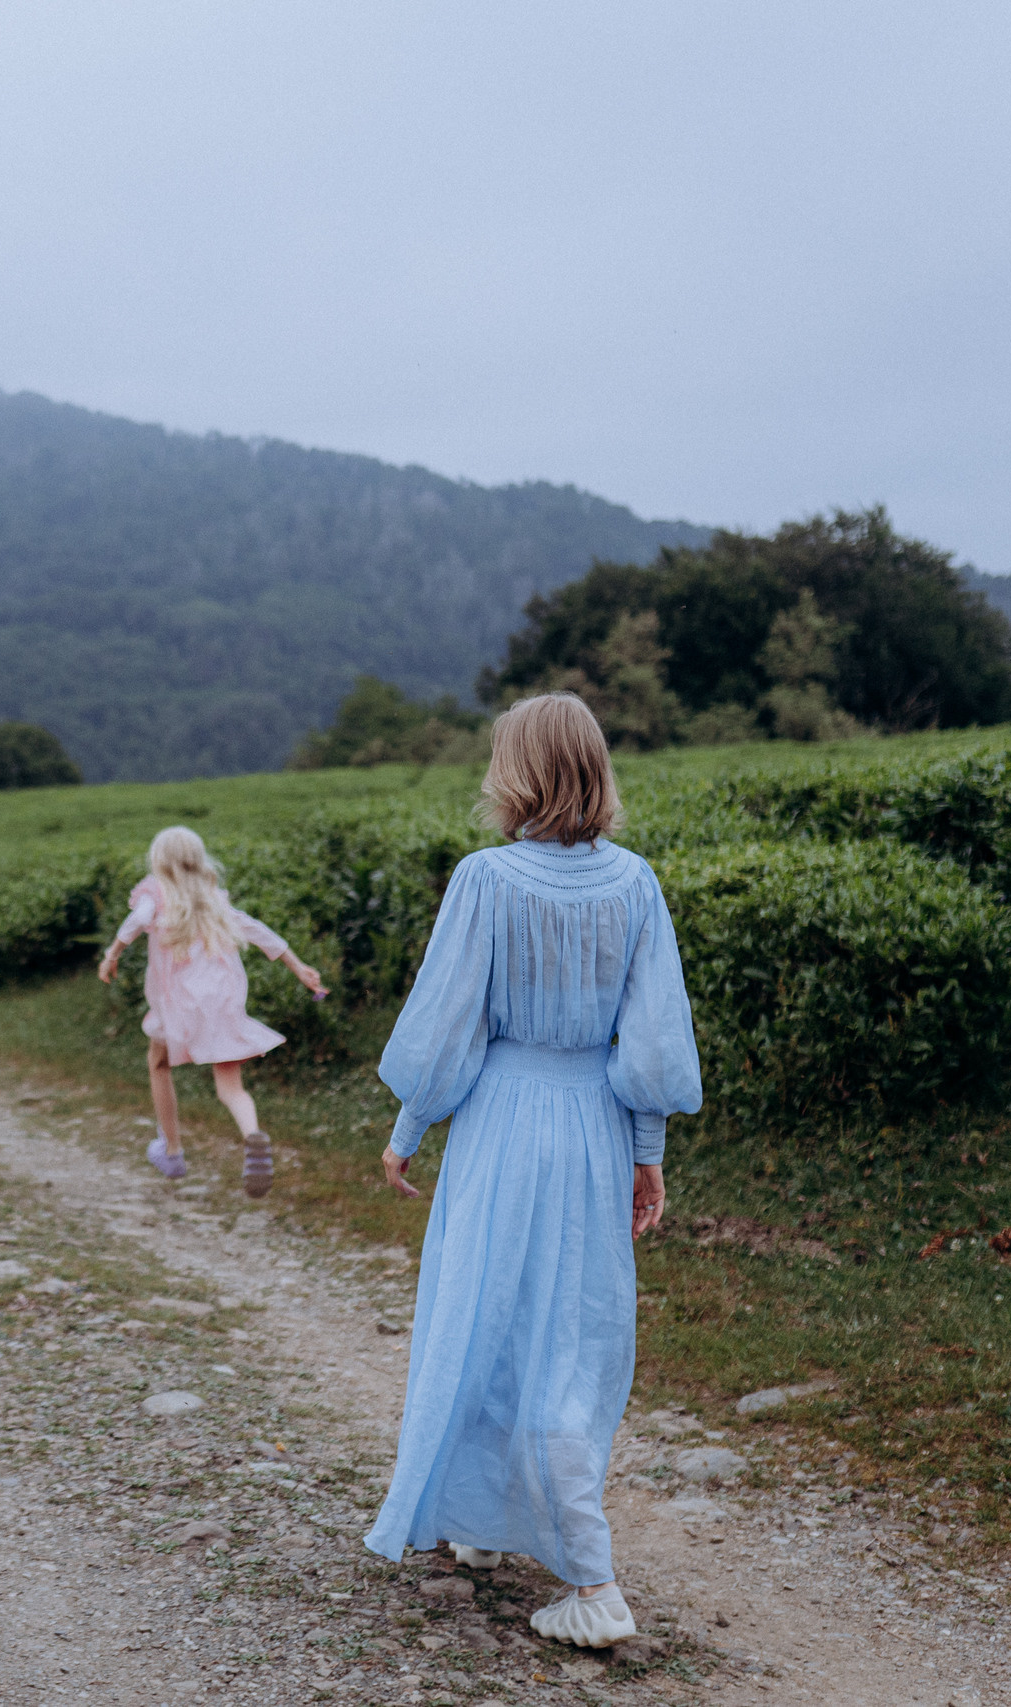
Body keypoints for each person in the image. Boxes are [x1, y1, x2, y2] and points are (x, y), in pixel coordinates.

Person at [361, 691, 702, 1648]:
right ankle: (480, 1522)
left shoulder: (485, 879)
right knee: (570, 1326)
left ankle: (595, 1584)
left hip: (502, 1124)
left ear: (515, 772)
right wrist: (647, 1153)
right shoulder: (635, 883)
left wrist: (409, 1126)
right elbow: (652, 1041)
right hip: (593, 1125)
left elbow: (449, 1027)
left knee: (488, 1313)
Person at [97, 826, 327, 1194]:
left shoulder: (154, 894)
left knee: (158, 1064)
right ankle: (252, 1133)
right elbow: (256, 930)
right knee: (230, 1087)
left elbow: (139, 920)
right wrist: (299, 968)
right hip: (221, 1002)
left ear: (159, 861)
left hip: (178, 1005)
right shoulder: (212, 900)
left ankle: (172, 1152)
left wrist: (113, 953)